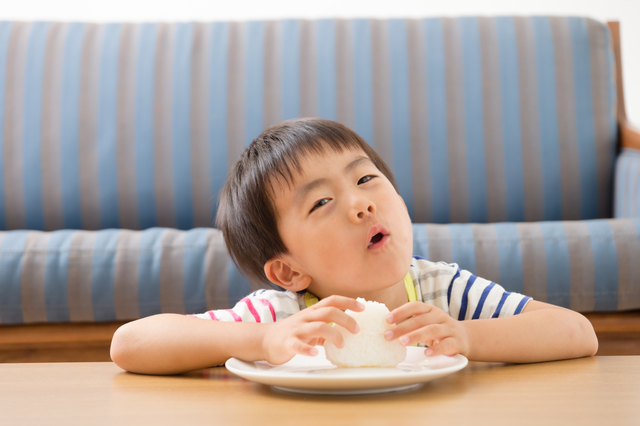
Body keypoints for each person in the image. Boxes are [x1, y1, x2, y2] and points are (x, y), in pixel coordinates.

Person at [110, 118, 598, 375]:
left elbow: (576, 333)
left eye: (366, 178)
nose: (361, 204)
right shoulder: (285, 315)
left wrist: (468, 338)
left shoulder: (440, 290)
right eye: (322, 202)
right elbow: (129, 345)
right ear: (288, 271)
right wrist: (260, 342)